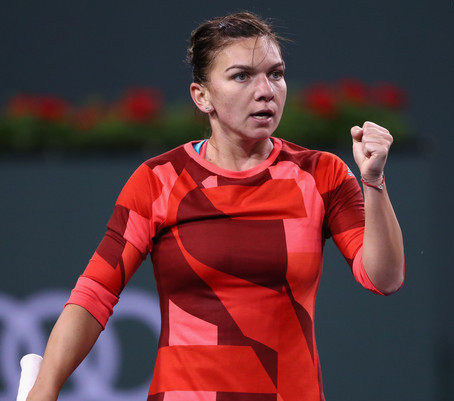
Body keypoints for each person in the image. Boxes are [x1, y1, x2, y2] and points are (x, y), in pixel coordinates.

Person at [26, 11, 404, 401]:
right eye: (242, 76)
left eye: (275, 73)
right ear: (201, 96)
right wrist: (44, 391)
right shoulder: (158, 180)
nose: (266, 90)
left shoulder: (322, 174)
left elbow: (383, 278)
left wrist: (373, 182)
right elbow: (93, 296)